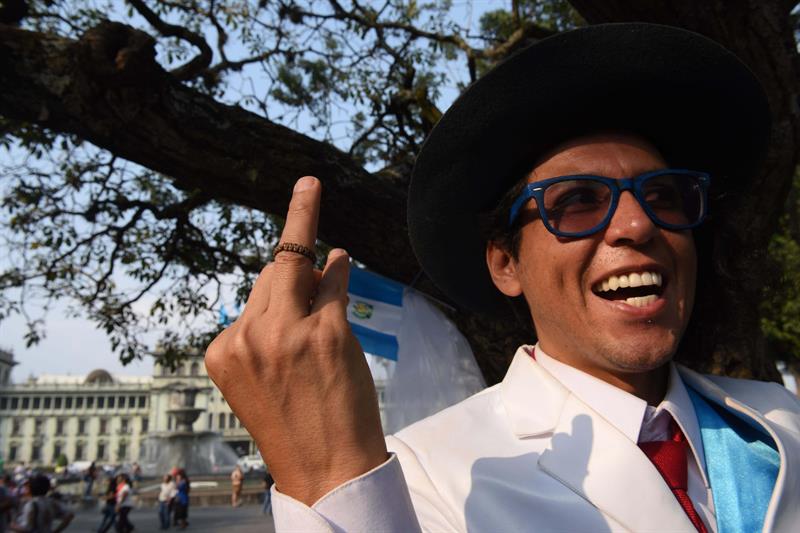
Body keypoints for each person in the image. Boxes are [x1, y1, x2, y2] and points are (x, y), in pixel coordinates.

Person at [204, 23, 800, 532]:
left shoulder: (780, 424)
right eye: (577, 202)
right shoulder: (421, 476)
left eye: (665, 196)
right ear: (505, 264)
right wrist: (328, 481)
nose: (638, 225)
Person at [8, 474, 73, 533]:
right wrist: (57, 531)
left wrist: (11, 525)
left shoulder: (31, 504)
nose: (25, 489)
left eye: (27, 487)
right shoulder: (52, 502)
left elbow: (27, 529)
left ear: (31, 488)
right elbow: (69, 515)